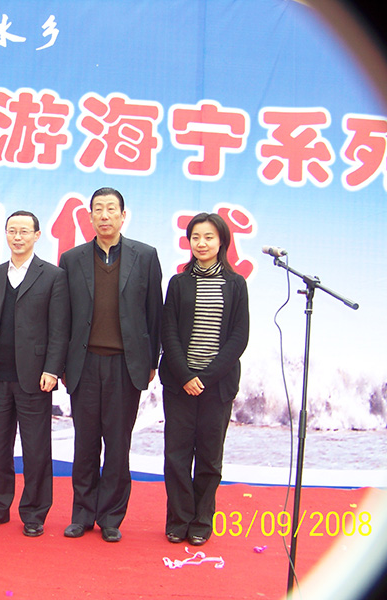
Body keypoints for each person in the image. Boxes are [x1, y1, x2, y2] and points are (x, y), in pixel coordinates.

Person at [59, 187, 163, 543]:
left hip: (125, 365)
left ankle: (111, 517)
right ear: (89, 217)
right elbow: (63, 316)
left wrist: (152, 360)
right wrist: (62, 363)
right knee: (85, 444)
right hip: (84, 363)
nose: (104, 216)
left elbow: (154, 311)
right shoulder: (72, 259)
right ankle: (82, 514)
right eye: (98, 210)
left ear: (123, 215)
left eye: (111, 209)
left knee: (118, 446)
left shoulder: (145, 256)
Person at [0, 211, 69, 537]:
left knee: (36, 449)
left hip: (35, 377)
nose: (17, 237)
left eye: (24, 231)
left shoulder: (53, 276)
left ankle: (34, 513)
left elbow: (59, 329)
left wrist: (53, 369)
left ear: (37, 235)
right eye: (12, 230)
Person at [159, 212, 249, 546]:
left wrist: (206, 378)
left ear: (221, 241)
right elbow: (168, 331)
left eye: (209, 237)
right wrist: (185, 375)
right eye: (196, 237)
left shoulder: (235, 284)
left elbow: (239, 337)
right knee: (177, 455)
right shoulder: (179, 283)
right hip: (179, 384)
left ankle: (201, 521)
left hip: (217, 386)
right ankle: (178, 519)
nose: (201, 243)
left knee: (210, 457)